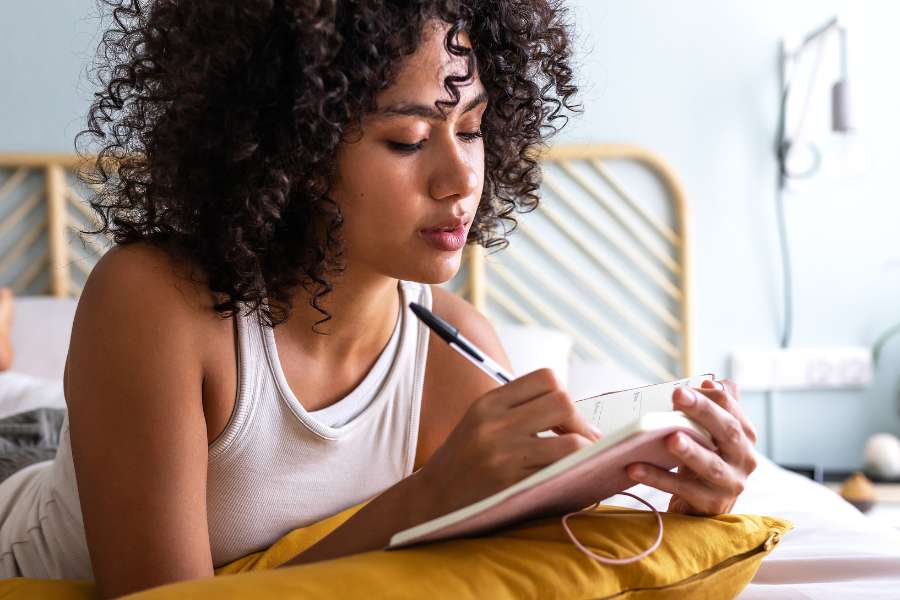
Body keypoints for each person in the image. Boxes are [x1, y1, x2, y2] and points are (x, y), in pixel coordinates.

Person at [0, 1, 758, 598]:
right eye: (406, 139)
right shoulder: (155, 302)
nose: (460, 179)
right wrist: (431, 495)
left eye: (473, 128)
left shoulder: (459, 356)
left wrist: (679, 495)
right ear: (288, 150)